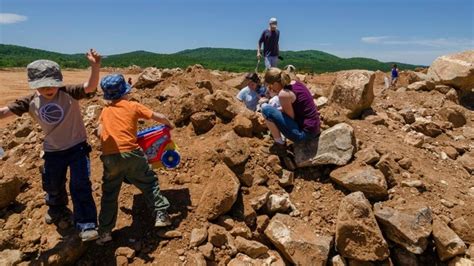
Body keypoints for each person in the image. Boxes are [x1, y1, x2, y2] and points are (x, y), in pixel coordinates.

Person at [0, 49, 102, 242]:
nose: (48, 89)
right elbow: (5, 112)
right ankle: (56, 208)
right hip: (53, 151)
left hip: (77, 148)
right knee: (52, 184)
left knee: (80, 184)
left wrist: (95, 66)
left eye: (52, 84)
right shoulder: (30, 101)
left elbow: (90, 87)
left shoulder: (68, 93)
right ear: (34, 85)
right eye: (42, 85)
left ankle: (87, 224)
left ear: (58, 81)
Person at [96, 73, 174, 245]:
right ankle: (161, 214)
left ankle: (105, 232)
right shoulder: (132, 106)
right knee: (148, 183)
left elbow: (99, 132)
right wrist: (169, 124)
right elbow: (158, 117)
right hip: (131, 153)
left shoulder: (105, 111)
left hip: (109, 158)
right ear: (125, 91)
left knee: (109, 194)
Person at [261, 67, 321, 148]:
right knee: (272, 111)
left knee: (266, 109)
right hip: (314, 128)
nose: (270, 88)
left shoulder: (284, 94)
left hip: (304, 134)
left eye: (270, 85)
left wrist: (274, 116)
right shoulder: (296, 83)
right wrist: (277, 112)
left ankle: (279, 145)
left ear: (275, 83)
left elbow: (290, 118)